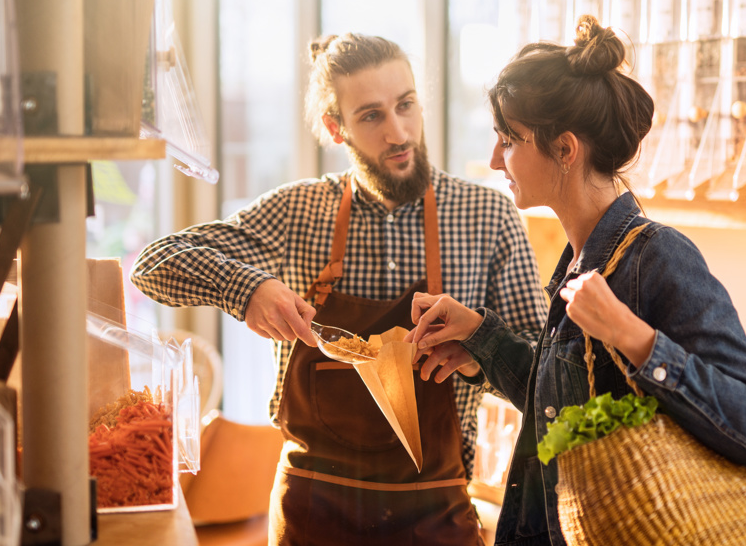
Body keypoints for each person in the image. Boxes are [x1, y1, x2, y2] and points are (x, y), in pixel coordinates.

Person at [130, 32, 547, 545]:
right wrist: (248, 289)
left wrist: (481, 349)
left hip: (435, 513)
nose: (399, 133)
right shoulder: (297, 211)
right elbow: (153, 263)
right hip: (311, 514)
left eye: (406, 105)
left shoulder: (488, 215)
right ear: (335, 128)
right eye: (371, 116)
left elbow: (541, 371)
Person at [405, 15, 746, 546]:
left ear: (565, 149)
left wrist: (633, 337)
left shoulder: (659, 259)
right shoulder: (580, 260)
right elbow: (569, 411)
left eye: (509, 140)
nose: (495, 159)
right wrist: (481, 339)